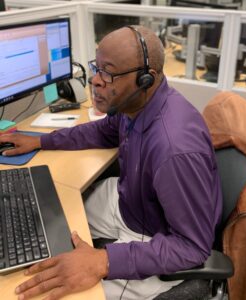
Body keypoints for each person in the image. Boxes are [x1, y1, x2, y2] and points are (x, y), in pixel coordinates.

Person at [0, 25, 222, 300]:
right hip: (131, 201)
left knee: (64, 291)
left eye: (109, 73)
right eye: (97, 68)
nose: (95, 80)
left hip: (155, 235)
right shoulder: (135, 104)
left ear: (146, 79)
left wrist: (103, 261)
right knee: (48, 222)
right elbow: (102, 131)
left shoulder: (174, 149)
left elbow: (192, 246)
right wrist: (42, 141)